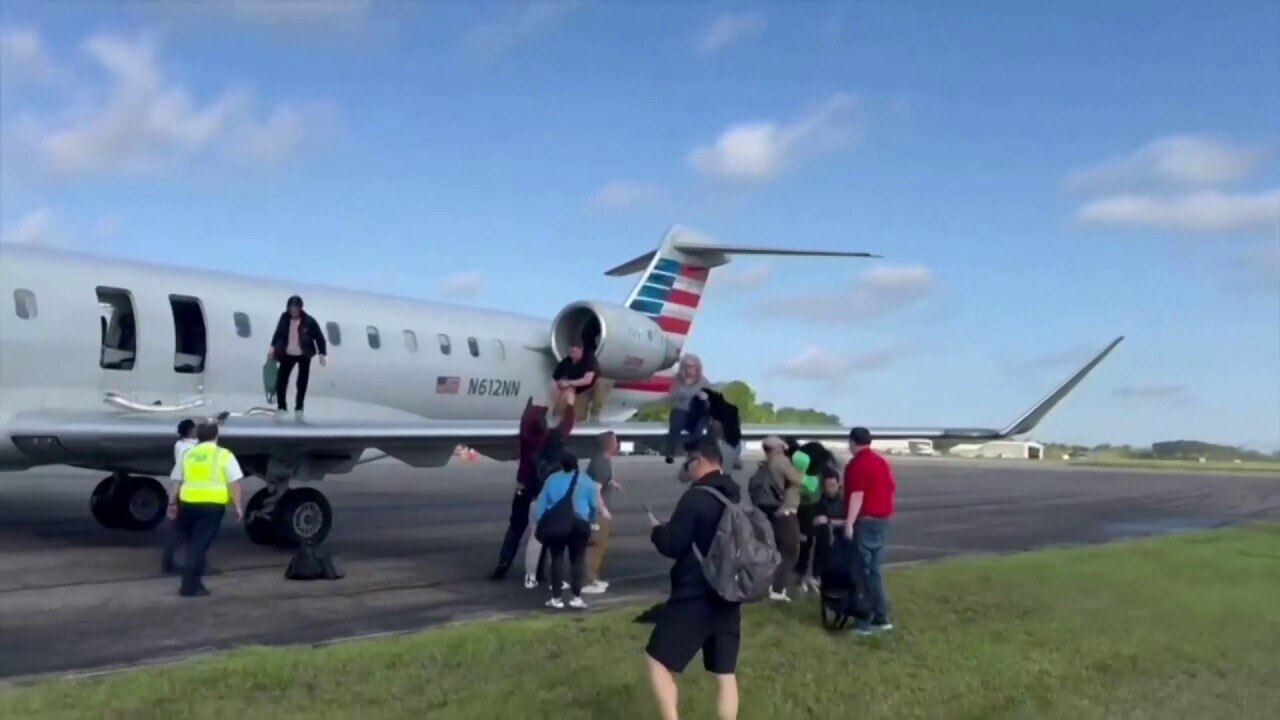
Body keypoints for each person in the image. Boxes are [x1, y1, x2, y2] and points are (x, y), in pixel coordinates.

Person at [645, 437, 741, 720]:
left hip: (695, 593)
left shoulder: (695, 498)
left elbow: (673, 545)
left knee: (657, 660)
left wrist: (657, 531)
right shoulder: (733, 496)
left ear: (699, 460)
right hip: (728, 592)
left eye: (688, 463)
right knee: (725, 673)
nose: (687, 469)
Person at [489, 398, 576, 582]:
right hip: (543, 491)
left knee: (515, 527)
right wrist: (569, 405)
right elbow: (567, 425)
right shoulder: (552, 439)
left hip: (523, 486)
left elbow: (525, 420)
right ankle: (538, 570)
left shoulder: (526, 437)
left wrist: (530, 407)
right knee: (541, 531)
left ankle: (504, 562)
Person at [169, 422, 245, 597]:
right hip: (212, 507)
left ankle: (195, 584)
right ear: (216, 436)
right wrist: (238, 505)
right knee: (199, 546)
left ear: (197, 436)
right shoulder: (224, 455)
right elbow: (234, 483)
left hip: (188, 504)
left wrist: (172, 503)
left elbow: (177, 481)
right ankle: (189, 586)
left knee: (192, 544)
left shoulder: (188, 454)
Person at [843, 426, 896, 635]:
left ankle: (865, 620)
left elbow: (857, 494)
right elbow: (890, 487)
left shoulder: (857, 464)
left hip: (866, 521)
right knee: (874, 571)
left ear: (853, 442)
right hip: (882, 520)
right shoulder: (881, 462)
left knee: (862, 571)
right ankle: (881, 616)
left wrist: (849, 522)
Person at [532, 451, 598, 610]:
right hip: (580, 524)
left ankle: (556, 598)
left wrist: (540, 522)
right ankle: (576, 597)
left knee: (557, 559)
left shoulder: (552, 480)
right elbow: (593, 505)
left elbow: (540, 505)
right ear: (577, 465)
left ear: (561, 465)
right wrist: (592, 523)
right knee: (578, 560)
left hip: (558, 524)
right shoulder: (586, 480)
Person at [524, 426, 571, 588]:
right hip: (556, 504)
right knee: (557, 543)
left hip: (537, 500)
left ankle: (530, 576)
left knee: (535, 540)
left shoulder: (536, 457)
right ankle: (556, 579)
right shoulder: (563, 460)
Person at [269, 295, 327, 419]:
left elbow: (319, 337)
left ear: (300, 308)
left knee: (301, 382)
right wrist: (272, 347)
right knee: (281, 380)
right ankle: (282, 407)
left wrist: (322, 353)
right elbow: (278, 333)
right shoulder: (284, 318)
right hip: (287, 353)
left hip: (304, 354)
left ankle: (299, 408)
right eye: (291, 308)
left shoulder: (309, 321)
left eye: (296, 308)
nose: (293, 311)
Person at [761, 436, 802, 602]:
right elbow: (799, 479)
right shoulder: (781, 461)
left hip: (773, 511)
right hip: (786, 511)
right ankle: (777, 589)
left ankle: (770, 585)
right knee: (791, 551)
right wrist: (801, 468)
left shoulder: (766, 463)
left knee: (777, 550)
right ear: (777, 448)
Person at [583, 431, 621, 594]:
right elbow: (595, 489)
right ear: (610, 444)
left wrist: (612, 483)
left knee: (599, 546)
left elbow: (601, 480)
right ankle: (587, 582)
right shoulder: (601, 463)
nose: (617, 444)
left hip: (594, 510)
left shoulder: (601, 460)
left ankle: (592, 578)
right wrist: (603, 510)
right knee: (595, 545)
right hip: (596, 513)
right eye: (615, 441)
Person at [160, 418, 198, 576]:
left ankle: (169, 564)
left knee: (177, 532)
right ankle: (186, 565)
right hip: (188, 495)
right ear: (191, 431)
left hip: (182, 492)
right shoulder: (190, 450)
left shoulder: (180, 445)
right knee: (187, 532)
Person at [801, 466, 845, 592]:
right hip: (821, 537)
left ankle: (820, 575)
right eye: (827, 486)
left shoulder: (844, 502)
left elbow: (850, 521)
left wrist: (829, 521)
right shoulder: (818, 502)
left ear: (838, 484)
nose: (830, 489)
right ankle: (812, 575)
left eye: (833, 485)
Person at [664, 354, 711, 463]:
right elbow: (671, 396)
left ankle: (694, 453)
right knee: (676, 421)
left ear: (697, 368)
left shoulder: (703, 382)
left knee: (699, 426)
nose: (689, 370)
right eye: (686, 366)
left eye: (692, 367)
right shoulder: (677, 380)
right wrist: (685, 395)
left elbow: (707, 398)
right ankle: (670, 452)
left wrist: (694, 397)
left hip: (697, 412)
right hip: (681, 410)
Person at [550, 340, 597, 419]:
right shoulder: (565, 362)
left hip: (588, 387)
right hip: (571, 388)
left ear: (581, 350)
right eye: (570, 352)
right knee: (562, 404)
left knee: (579, 413)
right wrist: (556, 393)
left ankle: (591, 415)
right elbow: (554, 379)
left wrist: (568, 383)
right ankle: (562, 414)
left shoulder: (589, 360)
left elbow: (587, 380)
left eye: (574, 352)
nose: (571, 355)